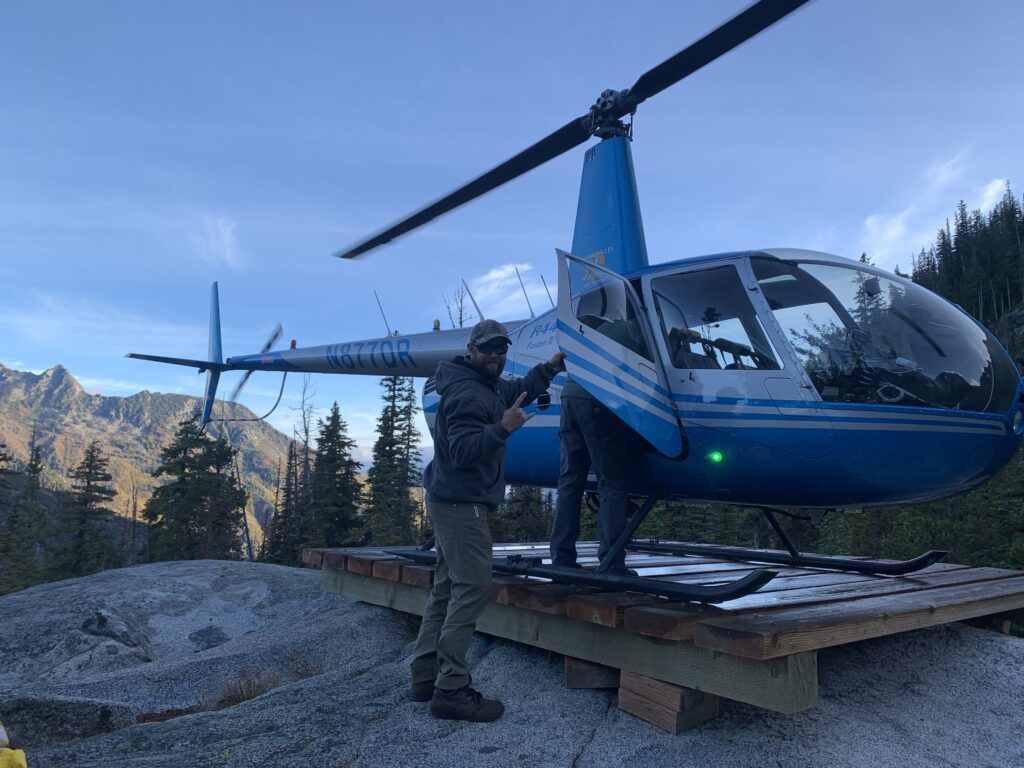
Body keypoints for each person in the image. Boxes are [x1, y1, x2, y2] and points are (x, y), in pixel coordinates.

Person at [410, 318, 566, 722]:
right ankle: (452, 689)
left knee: (446, 588)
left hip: (450, 501)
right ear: (472, 349)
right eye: (489, 349)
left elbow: (516, 390)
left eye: (502, 349)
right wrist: (502, 429)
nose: (497, 355)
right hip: (462, 507)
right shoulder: (467, 393)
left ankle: (424, 677)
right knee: (472, 588)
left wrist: (548, 368)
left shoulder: (485, 384)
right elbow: (464, 451)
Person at [550, 316, 644, 575]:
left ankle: (561, 557)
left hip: (569, 399)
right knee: (612, 483)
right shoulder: (640, 330)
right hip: (598, 400)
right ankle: (611, 560)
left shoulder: (604, 329)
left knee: (570, 481)